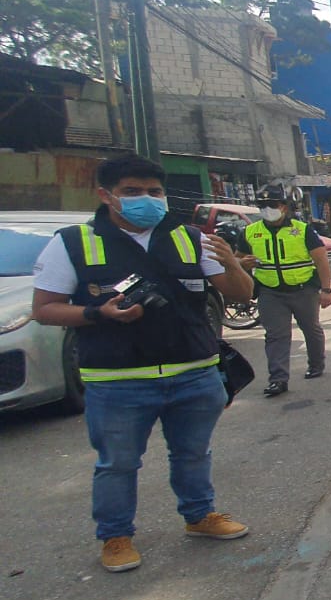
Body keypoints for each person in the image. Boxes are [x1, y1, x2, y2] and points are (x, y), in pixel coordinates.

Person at [30, 154, 256, 572]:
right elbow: (44, 309)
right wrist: (99, 313)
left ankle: (199, 515)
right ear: (106, 195)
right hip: (118, 380)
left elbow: (241, 294)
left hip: (194, 374)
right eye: (132, 192)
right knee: (117, 463)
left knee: (193, 453)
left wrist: (230, 263)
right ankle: (115, 537)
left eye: (154, 192)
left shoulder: (189, 237)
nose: (146, 200)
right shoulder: (74, 242)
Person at [240, 186, 331, 398]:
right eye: (262, 206)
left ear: (283, 206)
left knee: (311, 329)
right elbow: (238, 259)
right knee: (275, 336)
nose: (267, 209)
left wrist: (326, 290)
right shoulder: (250, 232)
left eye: (272, 205)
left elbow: (321, 261)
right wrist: (241, 263)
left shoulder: (302, 230)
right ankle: (278, 379)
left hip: (303, 290)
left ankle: (316, 364)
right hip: (269, 292)